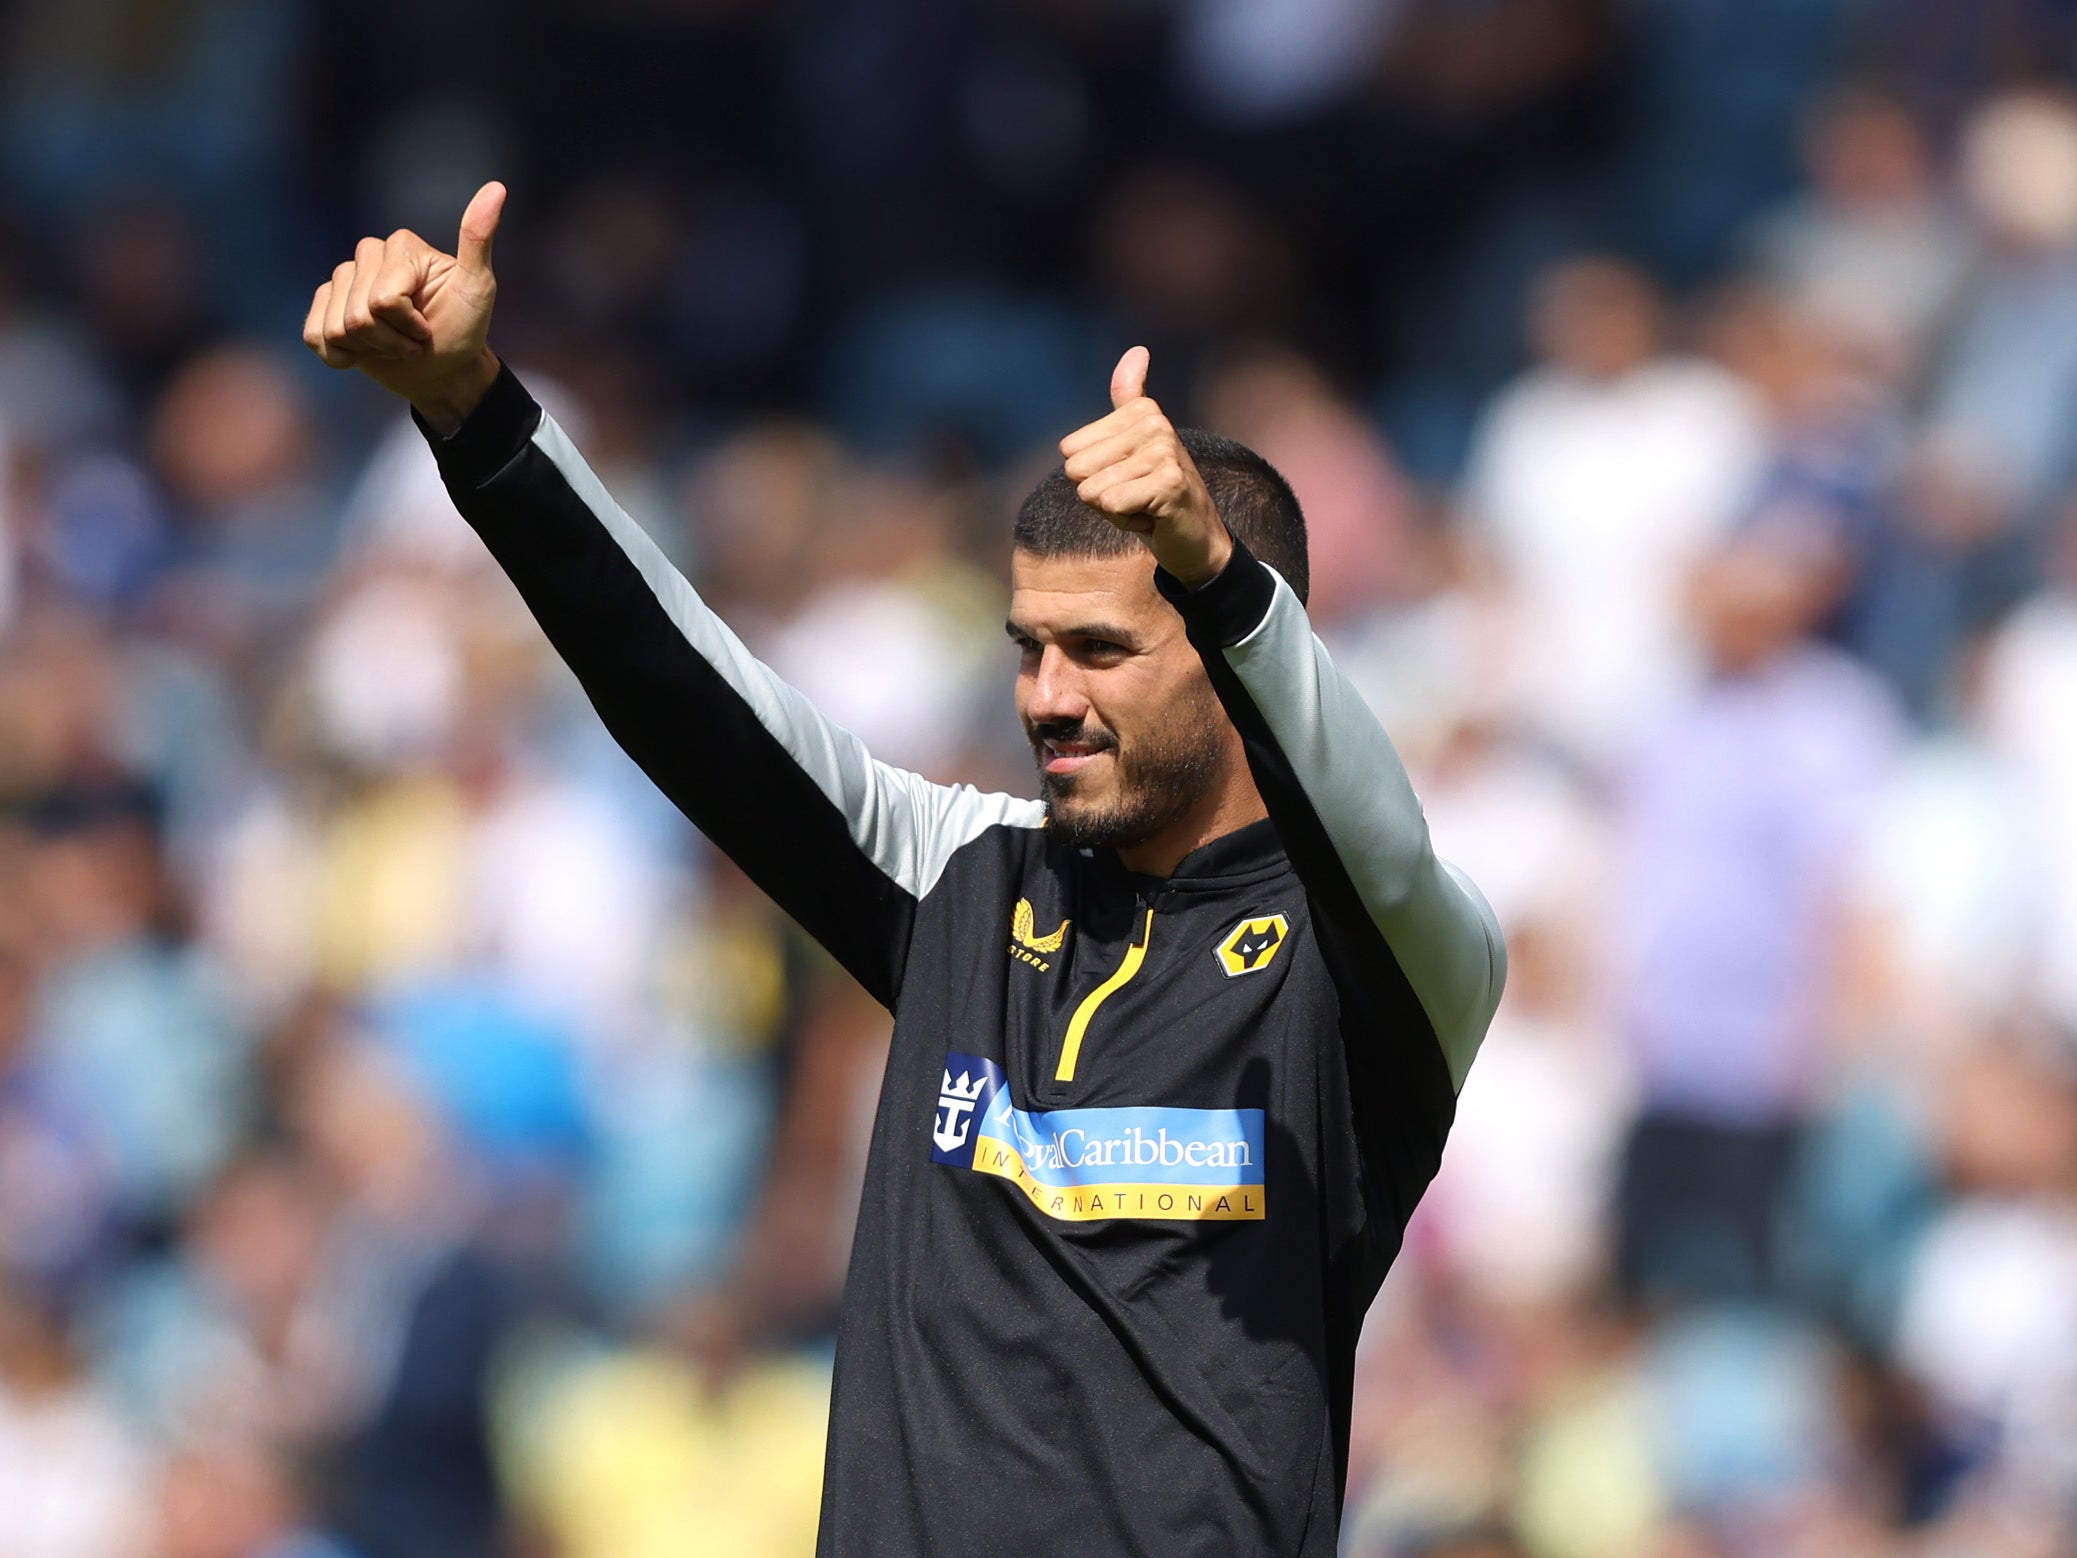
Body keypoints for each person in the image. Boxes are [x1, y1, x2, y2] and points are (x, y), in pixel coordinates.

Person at [302, 182, 1506, 1556]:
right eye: (1026, 646)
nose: (1046, 696)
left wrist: (1222, 580)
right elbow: (689, 694)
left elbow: (1376, 832)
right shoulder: (964, 880)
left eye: (1102, 650)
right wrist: (479, 415)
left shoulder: (1387, 964)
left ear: (1240, 655)